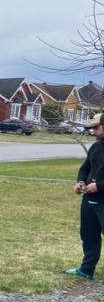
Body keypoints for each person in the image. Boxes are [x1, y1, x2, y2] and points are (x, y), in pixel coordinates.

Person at [64, 113, 104, 279]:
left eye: (96, 128)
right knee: (88, 236)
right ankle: (87, 270)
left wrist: (99, 186)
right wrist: (81, 181)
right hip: (88, 200)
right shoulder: (95, 147)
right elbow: (85, 168)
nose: (93, 132)